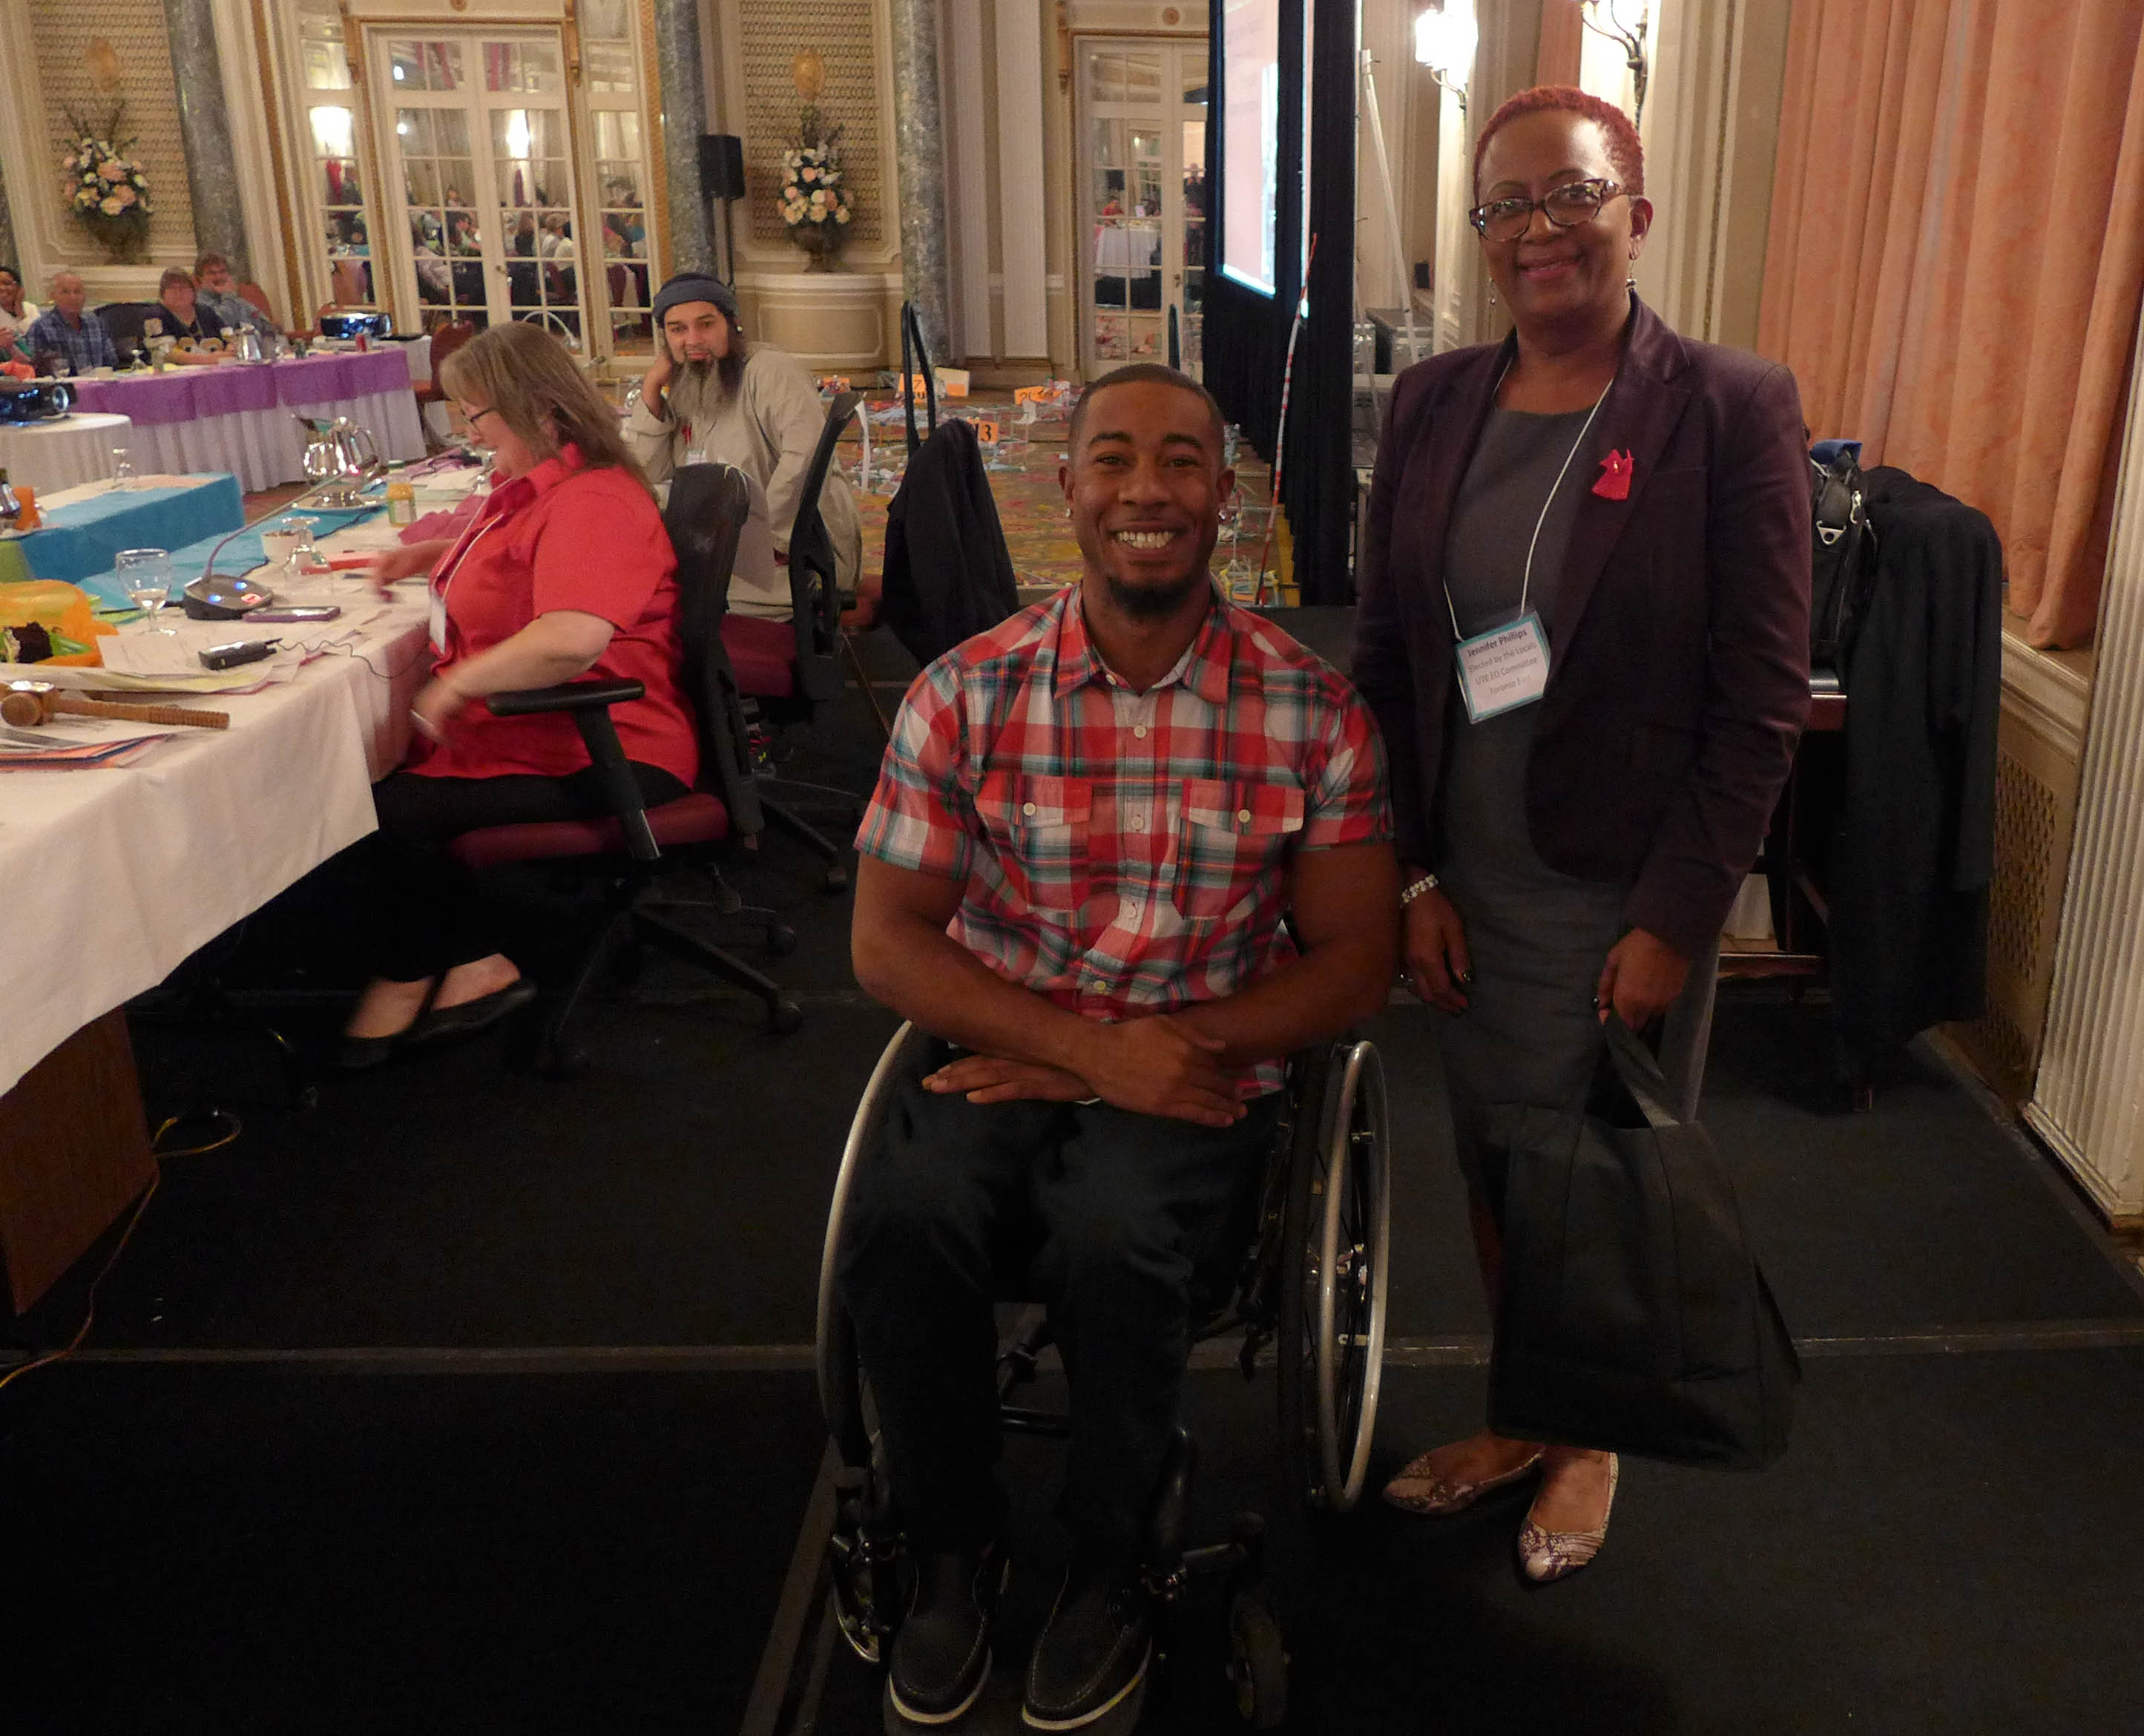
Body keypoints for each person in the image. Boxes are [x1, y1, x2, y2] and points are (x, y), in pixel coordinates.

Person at [839, 364, 1396, 1731]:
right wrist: (1089, 1054)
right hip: (1010, 1037)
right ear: (1067, 488)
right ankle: (949, 1546)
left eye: (1181, 462)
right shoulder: (964, 693)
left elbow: (1354, 964)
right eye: (1114, 460)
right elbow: (887, 943)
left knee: (1115, 1234)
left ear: (1225, 496)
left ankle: (1113, 1560)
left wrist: (1158, 1050)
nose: (1148, 489)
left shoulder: (1313, 711)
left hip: (1197, 1065)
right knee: (904, 1213)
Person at [1352, 86, 1812, 1583]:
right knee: (1497, 1162)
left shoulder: (1727, 407)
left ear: (1637, 212)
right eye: (1507, 205)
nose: (1538, 228)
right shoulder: (1432, 404)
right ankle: (1524, 1408)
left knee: (1596, 1180)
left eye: (1572, 194)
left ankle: (1588, 1439)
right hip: (1467, 875)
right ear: (1481, 235)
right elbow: (1387, 661)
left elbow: (1760, 698)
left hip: (1619, 887)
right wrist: (1413, 871)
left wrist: (1677, 917)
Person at [335, 321, 700, 1068]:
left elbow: (571, 638)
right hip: (554, 733)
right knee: (394, 792)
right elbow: (531, 555)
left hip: (613, 747)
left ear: (540, 410)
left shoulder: (595, 499)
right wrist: (436, 555)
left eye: (477, 414)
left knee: (391, 809)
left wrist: (459, 682)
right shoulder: (554, 483)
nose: (468, 432)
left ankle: (448, 966)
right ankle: (457, 956)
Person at [621, 272, 867, 622]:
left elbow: (805, 461)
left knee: (657, 599)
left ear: (732, 324)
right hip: (723, 545)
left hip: (797, 555)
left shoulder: (770, 371)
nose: (693, 340)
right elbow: (645, 480)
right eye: (678, 330)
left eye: (706, 324)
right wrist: (651, 393)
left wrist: (761, 542)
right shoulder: (686, 382)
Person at [23, 272, 116, 373]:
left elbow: (111, 361)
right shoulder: (41, 327)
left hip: (98, 381)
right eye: (65, 292)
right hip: (61, 383)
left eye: (77, 292)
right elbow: (34, 368)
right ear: (53, 297)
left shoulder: (95, 323)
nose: (73, 297)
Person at [144, 267, 228, 354]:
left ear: (193, 291)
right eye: (172, 288)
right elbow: (167, 353)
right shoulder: (155, 316)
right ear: (163, 293)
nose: (178, 293)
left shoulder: (206, 311)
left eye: (184, 287)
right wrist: (212, 359)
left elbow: (229, 338)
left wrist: (229, 350)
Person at [194, 253, 277, 337]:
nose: (219, 277)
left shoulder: (237, 300)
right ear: (200, 279)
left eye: (223, 272)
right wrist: (228, 295)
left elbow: (267, 326)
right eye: (212, 273)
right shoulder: (199, 305)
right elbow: (224, 326)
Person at [0, 264, 28, 359]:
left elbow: (31, 336)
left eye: (6, 283)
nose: (1, 288)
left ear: (18, 287)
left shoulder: (30, 308)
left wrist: (18, 307)